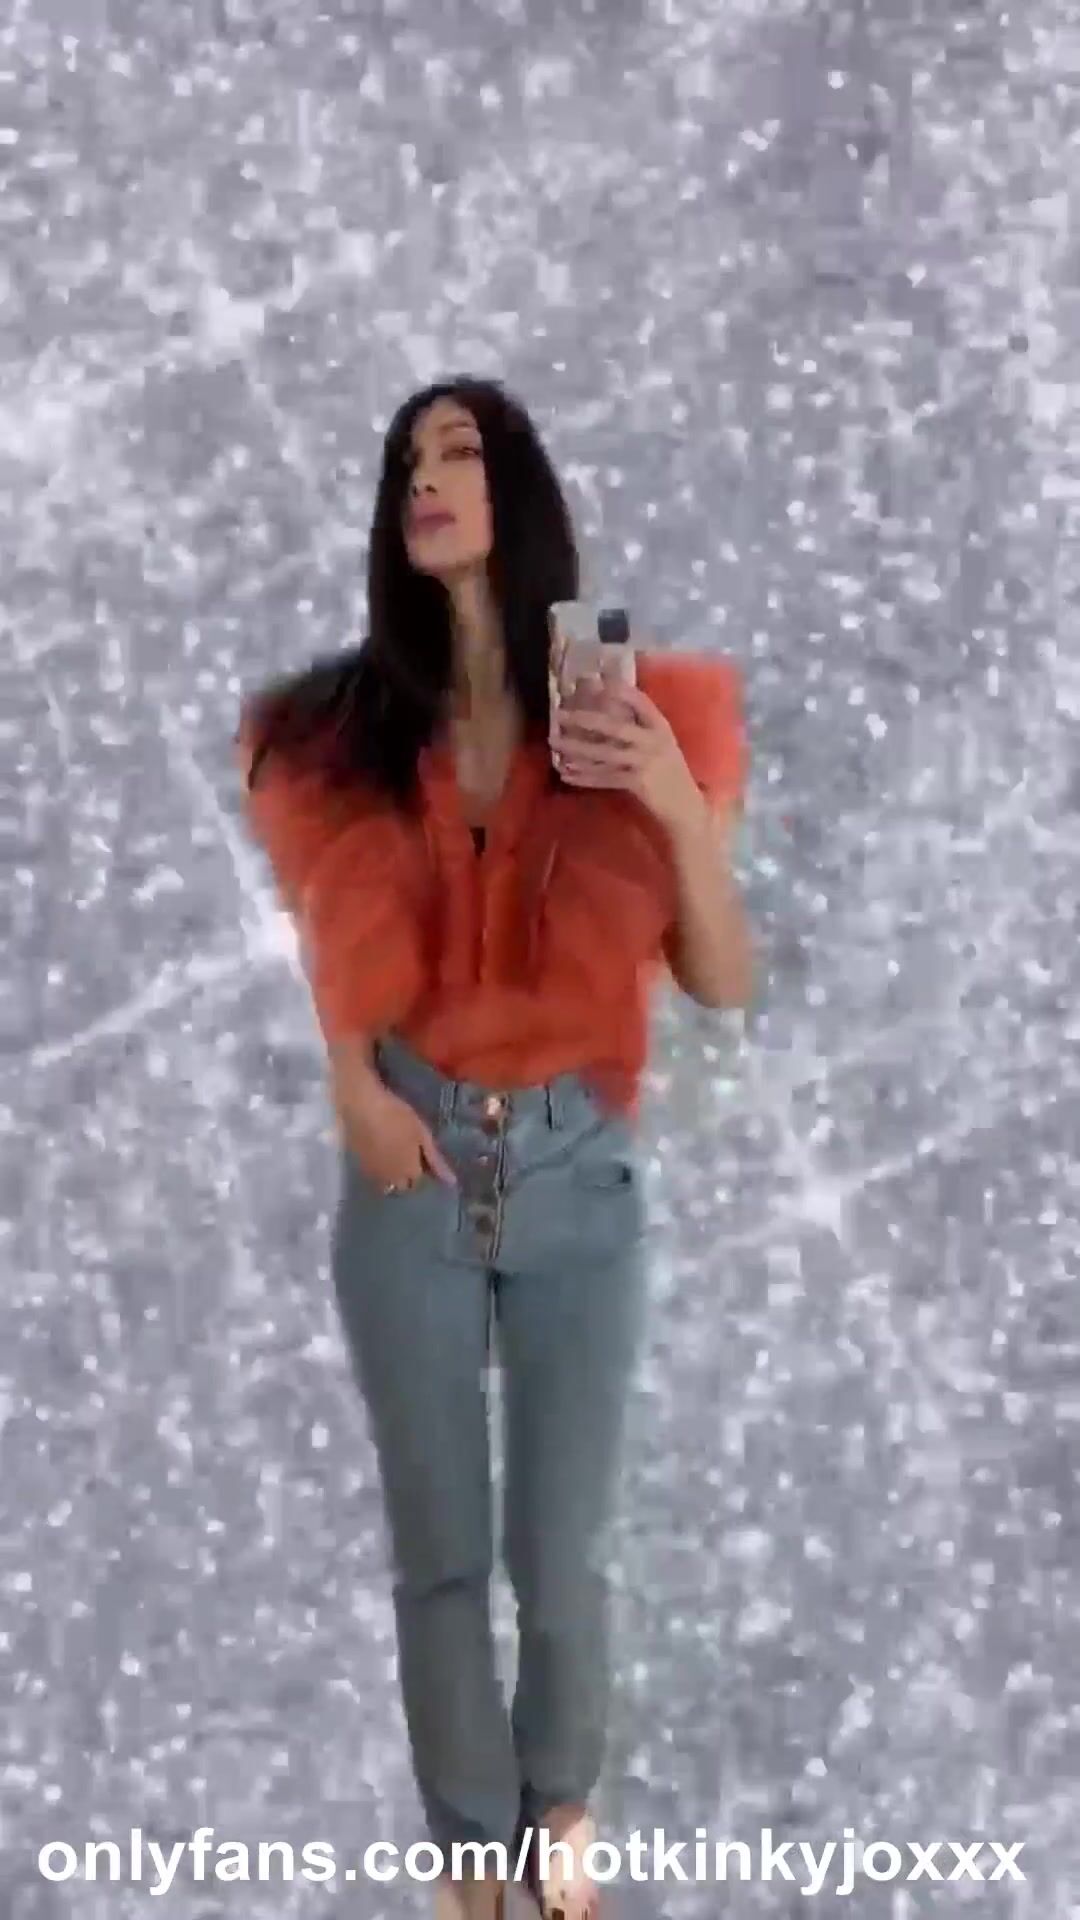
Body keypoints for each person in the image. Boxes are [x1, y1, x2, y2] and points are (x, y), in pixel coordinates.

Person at [238, 377, 752, 1920]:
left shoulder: (648, 710)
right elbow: (332, 927)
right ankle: (470, 1852)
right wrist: (352, 1083)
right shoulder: (341, 735)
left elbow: (723, 978)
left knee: (562, 1553)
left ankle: (561, 1811)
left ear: (517, 490)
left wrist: (671, 804)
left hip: (578, 1169)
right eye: (408, 460)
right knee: (442, 1555)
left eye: (459, 452)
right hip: (412, 1160)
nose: (426, 478)